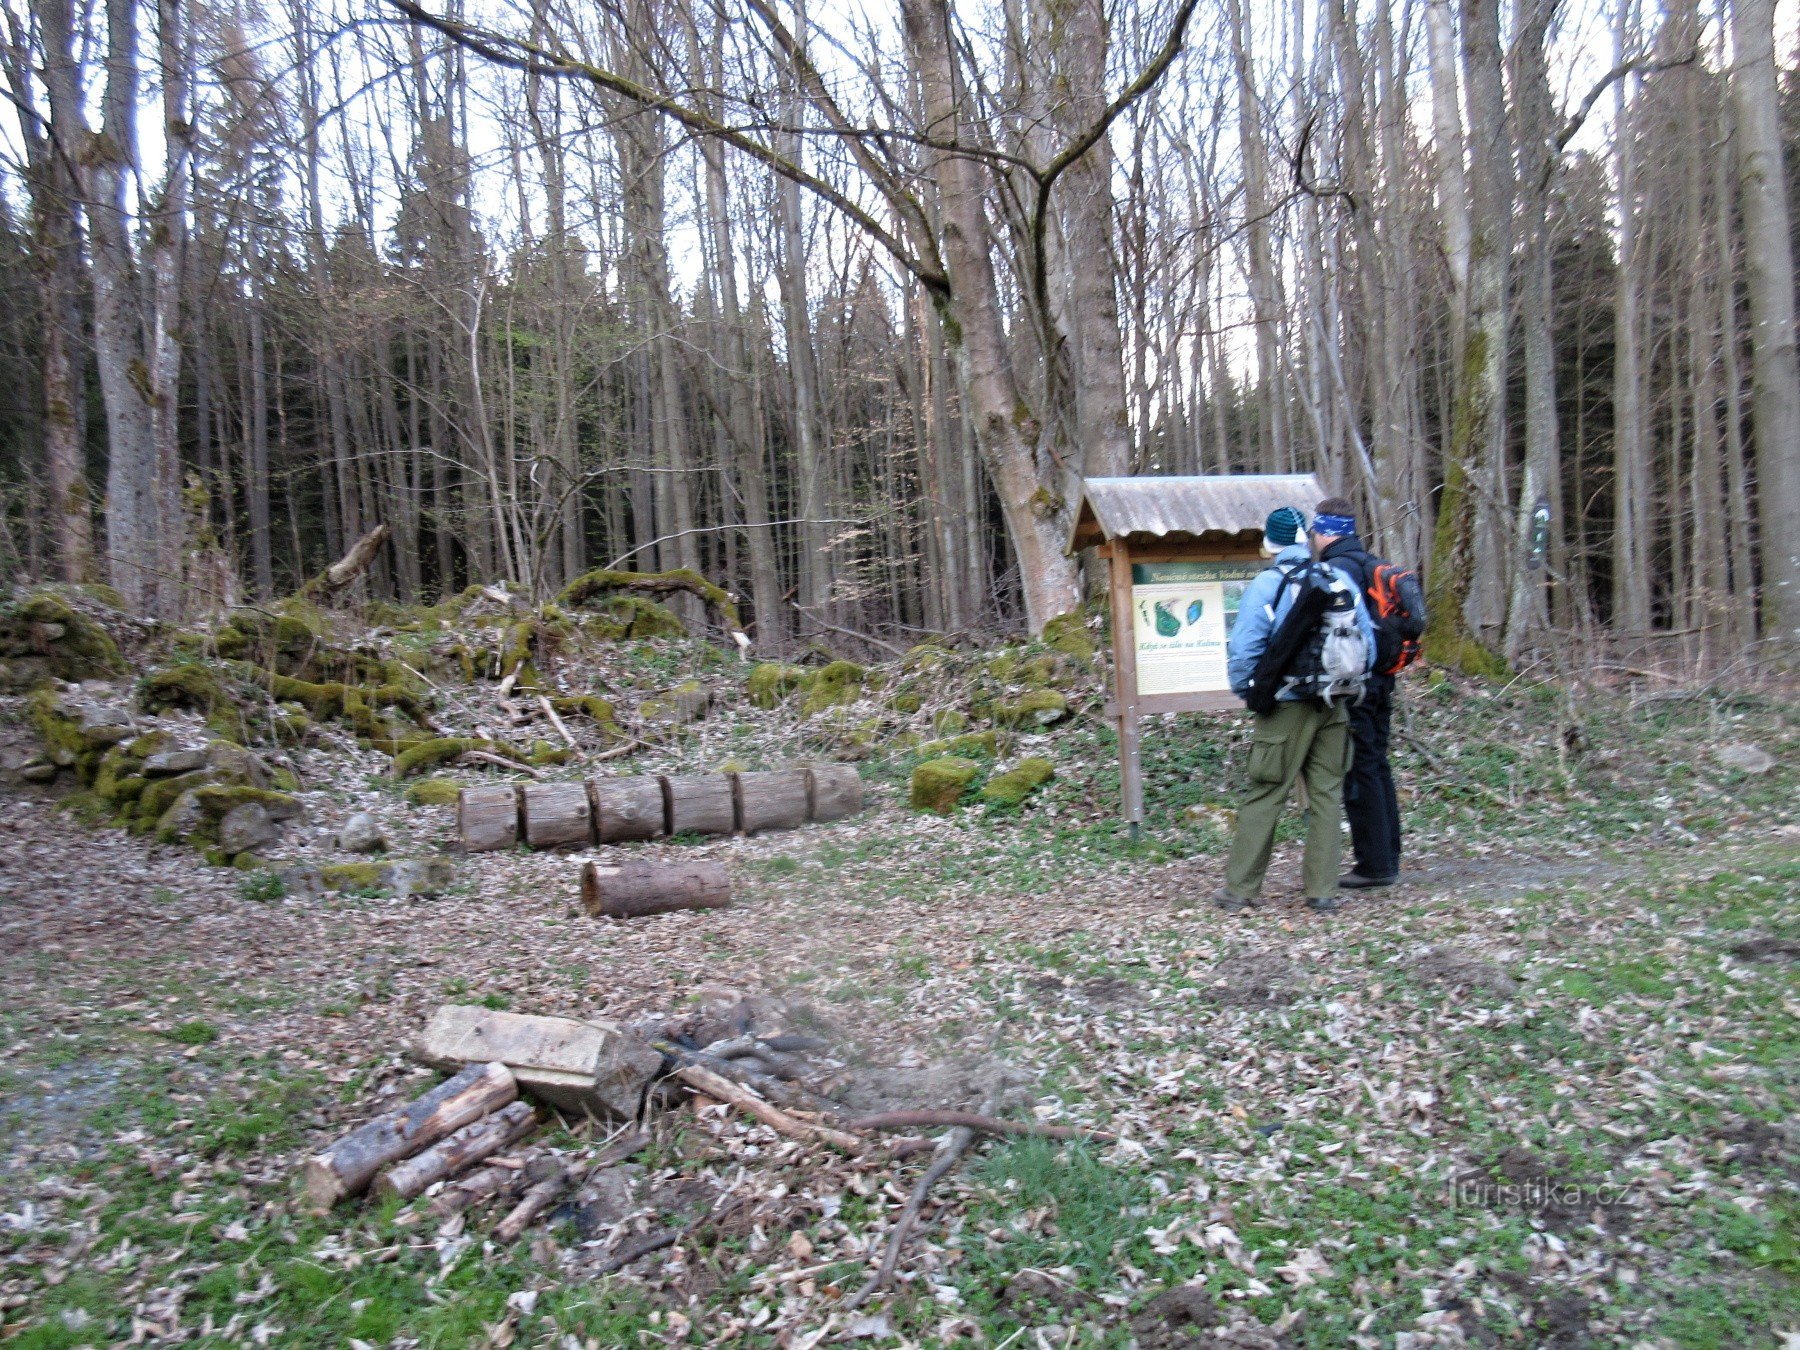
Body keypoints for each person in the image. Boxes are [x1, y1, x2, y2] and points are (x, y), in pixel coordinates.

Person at [1211, 505, 1375, 914]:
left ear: (1270, 544)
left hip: (1285, 707)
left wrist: (1249, 692)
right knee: (1326, 796)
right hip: (1335, 704)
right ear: (1306, 538)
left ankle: (1240, 890)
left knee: (1266, 793)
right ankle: (1321, 891)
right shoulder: (1340, 580)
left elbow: (1245, 647)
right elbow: (1367, 646)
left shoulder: (1268, 584)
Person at [1307, 498, 1402, 889]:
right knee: (1377, 763)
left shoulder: (1335, 570)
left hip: (1355, 682)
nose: (1312, 537)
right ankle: (1387, 855)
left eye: (1316, 530)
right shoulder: (1369, 563)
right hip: (1383, 678)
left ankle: (1374, 865)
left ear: (1327, 532)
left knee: (1359, 768)